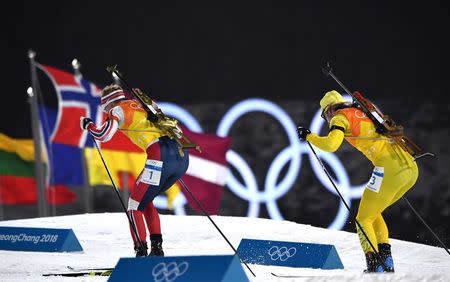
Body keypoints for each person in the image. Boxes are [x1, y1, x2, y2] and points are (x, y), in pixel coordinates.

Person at [297, 90, 419, 273]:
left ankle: (375, 264)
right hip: (410, 168)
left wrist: (309, 137)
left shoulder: (339, 117)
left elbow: (331, 145)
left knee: (363, 219)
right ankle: (386, 263)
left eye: (324, 117)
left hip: (389, 169)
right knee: (372, 213)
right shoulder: (362, 110)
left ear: (329, 110)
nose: (327, 121)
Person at [80, 84, 189, 257]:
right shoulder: (142, 103)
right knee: (144, 201)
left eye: (104, 108)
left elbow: (104, 135)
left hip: (159, 153)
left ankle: (141, 251)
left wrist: (89, 126)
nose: (106, 111)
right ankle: (157, 249)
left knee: (134, 206)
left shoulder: (117, 109)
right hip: (181, 155)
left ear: (108, 103)